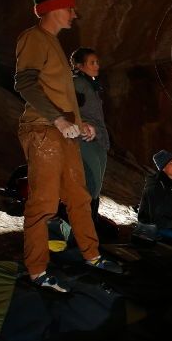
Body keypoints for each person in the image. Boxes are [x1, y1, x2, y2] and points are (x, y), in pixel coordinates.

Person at [14, 0, 120, 292]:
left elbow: (61, 95)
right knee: (44, 203)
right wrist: (58, 119)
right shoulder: (32, 38)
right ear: (50, 9)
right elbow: (25, 83)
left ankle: (92, 255)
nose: (74, 14)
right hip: (43, 130)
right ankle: (37, 271)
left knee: (79, 197)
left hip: (65, 132)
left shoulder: (54, 45)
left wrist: (81, 123)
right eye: (69, 8)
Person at [71, 47, 110, 228]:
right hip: (86, 140)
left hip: (98, 140)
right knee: (91, 184)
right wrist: (83, 124)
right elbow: (67, 108)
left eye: (97, 62)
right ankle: (81, 228)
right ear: (79, 66)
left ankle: (89, 225)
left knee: (95, 185)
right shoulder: (78, 83)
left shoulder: (90, 85)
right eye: (92, 62)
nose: (97, 65)